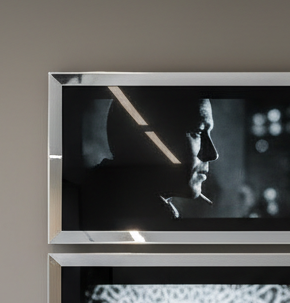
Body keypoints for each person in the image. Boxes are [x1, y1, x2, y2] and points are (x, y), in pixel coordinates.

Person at [77, 89, 219, 228]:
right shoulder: (94, 213)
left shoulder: (96, 196)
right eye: (198, 132)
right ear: (143, 139)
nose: (213, 154)